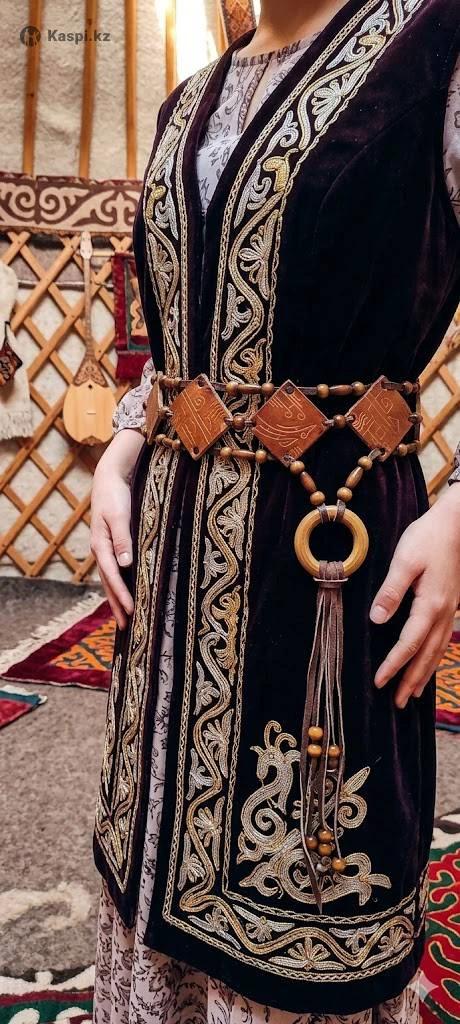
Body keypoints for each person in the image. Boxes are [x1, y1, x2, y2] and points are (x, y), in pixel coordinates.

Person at [90, 1, 460, 1021]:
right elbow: (182, 332)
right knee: (150, 850)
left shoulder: (431, 49)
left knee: (305, 876)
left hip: (326, 551)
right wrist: (124, 446)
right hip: (170, 553)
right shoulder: (189, 102)